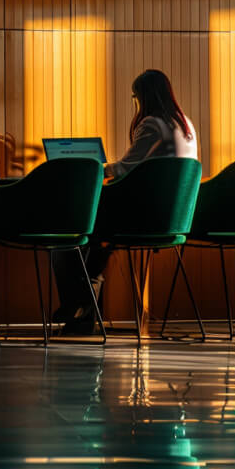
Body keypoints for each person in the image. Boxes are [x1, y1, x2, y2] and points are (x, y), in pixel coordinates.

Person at [53, 69, 198, 333]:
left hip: (144, 218)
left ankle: (77, 302)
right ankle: (82, 314)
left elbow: (124, 168)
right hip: (173, 218)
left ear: (144, 96)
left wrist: (92, 168)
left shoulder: (152, 123)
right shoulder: (186, 125)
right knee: (97, 242)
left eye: (136, 97)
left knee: (71, 234)